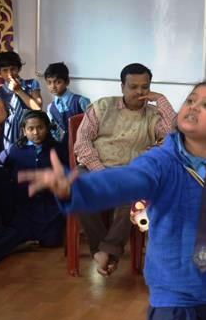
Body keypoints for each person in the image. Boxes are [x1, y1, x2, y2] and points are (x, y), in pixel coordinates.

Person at [20, 80, 206, 320]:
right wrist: (75, 189)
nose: (193, 107)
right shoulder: (161, 161)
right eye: (190, 100)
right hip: (177, 293)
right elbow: (124, 181)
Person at [73, 63, 176, 275]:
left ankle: (106, 252)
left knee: (133, 195)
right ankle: (102, 250)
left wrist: (161, 100)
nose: (139, 92)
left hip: (129, 172)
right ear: (122, 87)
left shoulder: (153, 115)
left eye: (145, 87)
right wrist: (101, 173)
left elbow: (175, 137)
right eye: (133, 86)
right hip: (95, 168)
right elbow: (82, 143)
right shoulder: (102, 107)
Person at [2, 111, 65, 247]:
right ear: (24, 131)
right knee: (18, 236)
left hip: (50, 204)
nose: (36, 133)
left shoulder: (57, 149)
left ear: (47, 128)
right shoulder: (15, 150)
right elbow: (3, 167)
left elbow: (65, 172)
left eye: (40, 127)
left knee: (52, 241)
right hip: (24, 205)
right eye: (30, 129)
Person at [0, 51, 43, 156]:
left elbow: (37, 108)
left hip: (30, 127)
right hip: (9, 131)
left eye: (13, 69)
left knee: (29, 157)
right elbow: (2, 116)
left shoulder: (31, 83)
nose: (9, 74)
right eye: (5, 70)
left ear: (18, 68)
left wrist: (19, 90)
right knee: (10, 158)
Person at [44, 62, 90, 164]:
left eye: (58, 82)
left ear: (67, 81)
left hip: (83, 145)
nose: (53, 86)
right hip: (63, 147)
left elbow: (93, 124)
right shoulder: (51, 108)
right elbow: (53, 131)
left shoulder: (80, 101)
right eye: (49, 83)